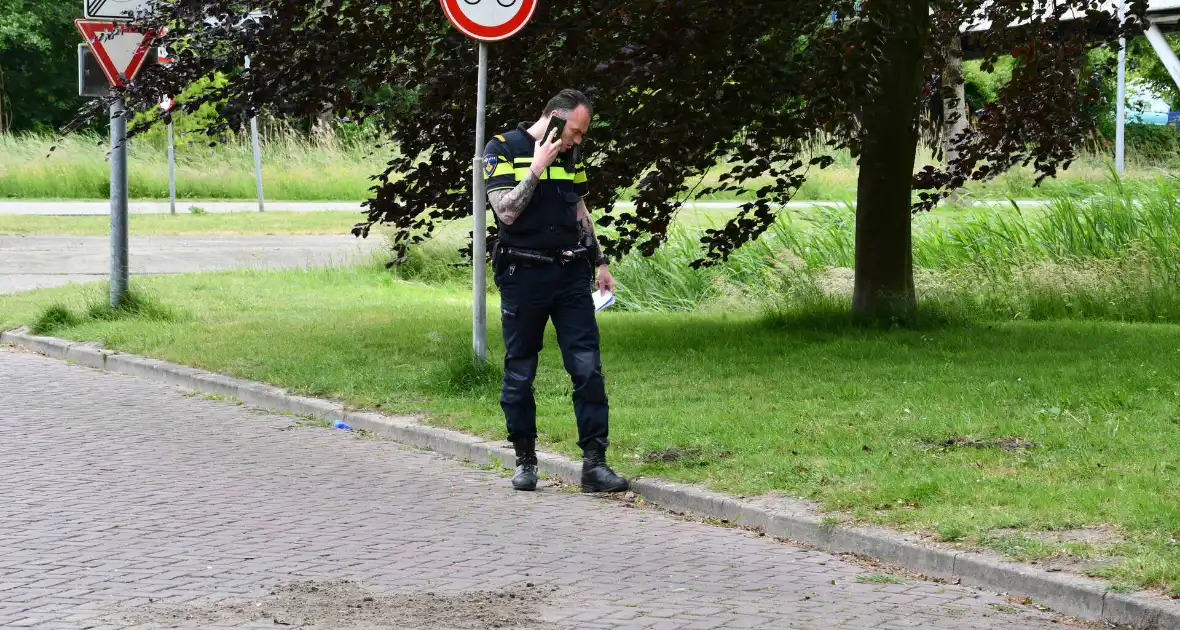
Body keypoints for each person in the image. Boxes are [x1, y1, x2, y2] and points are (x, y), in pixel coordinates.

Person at [482, 88, 629, 494]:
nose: (577, 141)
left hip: (570, 276)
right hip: (522, 275)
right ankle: (525, 461)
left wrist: (599, 260)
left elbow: (579, 209)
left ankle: (595, 465)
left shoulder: (570, 156)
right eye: (575, 132)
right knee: (521, 369)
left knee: (587, 369)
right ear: (554, 118)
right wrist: (537, 166)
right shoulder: (502, 149)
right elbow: (506, 211)